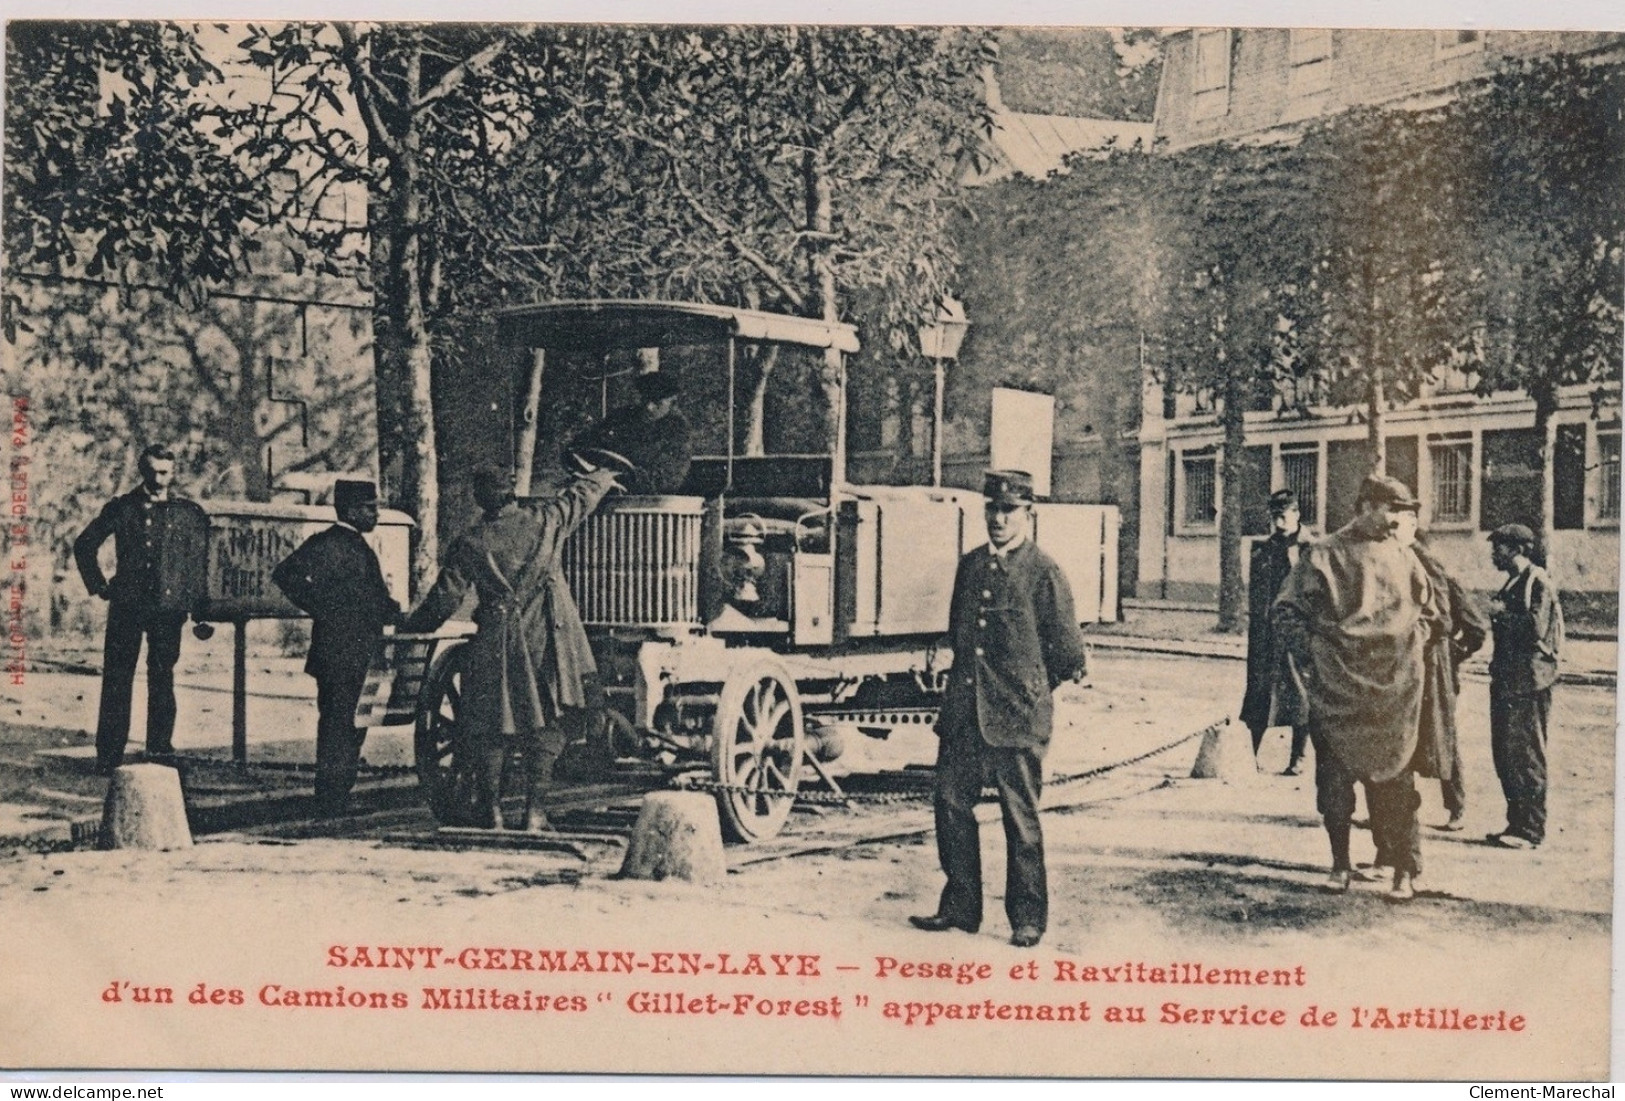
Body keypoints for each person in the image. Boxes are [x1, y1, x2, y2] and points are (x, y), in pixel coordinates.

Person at [911, 470, 1088, 948]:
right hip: (965, 713)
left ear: (1028, 514)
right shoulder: (970, 567)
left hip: (1017, 717)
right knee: (949, 804)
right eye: (992, 509)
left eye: (1009, 511)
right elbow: (958, 634)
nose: (998, 519)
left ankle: (1028, 917)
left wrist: (1028, 691)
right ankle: (960, 907)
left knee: (1020, 818)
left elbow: (1069, 655)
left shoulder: (1044, 572)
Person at [402, 459, 623, 831]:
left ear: (480, 500)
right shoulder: (545, 520)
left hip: (495, 643)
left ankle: (492, 811)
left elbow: (444, 599)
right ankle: (535, 812)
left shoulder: (470, 542)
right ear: (511, 491)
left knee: (490, 726)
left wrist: (412, 626)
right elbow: (579, 498)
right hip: (547, 639)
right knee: (549, 724)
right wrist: (604, 475)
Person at [1274, 474, 1436, 902]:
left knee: (1397, 785)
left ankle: (1404, 870)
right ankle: (1340, 864)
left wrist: (1411, 645)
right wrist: (1314, 658)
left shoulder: (1404, 555)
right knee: (1334, 783)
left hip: (1393, 693)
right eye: (1391, 509)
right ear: (1365, 506)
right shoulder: (1323, 554)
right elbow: (1286, 612)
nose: (1397, 519)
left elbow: (1431, 611)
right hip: (1337, 690)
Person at [73, 444, 208, 774]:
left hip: (167, 609)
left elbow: (198, 563)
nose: (159, 479)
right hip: (127, 606)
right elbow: (84, 544)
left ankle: (159, 750)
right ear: (142, 471)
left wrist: (199, 608)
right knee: (118, 678)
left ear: (173, 473)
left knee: (163, 678)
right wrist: (99, 585)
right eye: (152, 471)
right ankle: (109, 756)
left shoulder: (187, 513)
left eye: (165, 472)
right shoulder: (123, 508)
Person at [272, 480, 402, 816]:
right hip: (342, 650)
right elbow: (285, 574)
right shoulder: (333, 544)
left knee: (346, 723)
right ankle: (332, 797)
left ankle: (336, 793)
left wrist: (321, 606)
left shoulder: (342, 544)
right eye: (370, 507)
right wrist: (324, 607)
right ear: (351, 510)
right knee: (340, 723)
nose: (376, 513)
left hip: (345, 649)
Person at [1397, 520, 1488, 834]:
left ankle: (1456, 807)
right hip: (1406, 660)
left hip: (1431, 662)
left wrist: (1452, 655)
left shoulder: (1425, 563)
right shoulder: (1401, 557)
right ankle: (1395, 809)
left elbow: (1450, 620)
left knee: (1441, 734)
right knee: (1398, 734)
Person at [1485, 523, 1563, 851]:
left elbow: (1534, 627)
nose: (1493, 554)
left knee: (1527, 754)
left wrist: (1500, 615)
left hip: (1529, 683)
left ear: (1517, 550)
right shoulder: (1514, 582)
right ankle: (1516, 823)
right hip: (1508, 681)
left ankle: (1531, 830)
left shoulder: (1537, 581)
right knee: (1507, 754)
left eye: (1499, 548)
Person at [1240, 488, 1312, 774]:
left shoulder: (1310, 550)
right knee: (1259, 693)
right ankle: (1250, 755)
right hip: (1266, 636)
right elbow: (1257, 595)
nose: (1278, 523)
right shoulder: (1263, 549)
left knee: (1299, 694)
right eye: (1274, 518)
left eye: (1283, 516)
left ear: (1296, 514)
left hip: (1296, 635)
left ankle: (1299, 757)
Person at [572, 372, 692, 495]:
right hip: (603, 486)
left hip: (646, 500)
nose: (649, 407)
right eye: (645, 399)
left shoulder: (677, 430)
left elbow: (665, 481)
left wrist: (619, 476)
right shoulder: (622, 417)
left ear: (672, 402)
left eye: (657, 403)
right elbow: (586, 442)